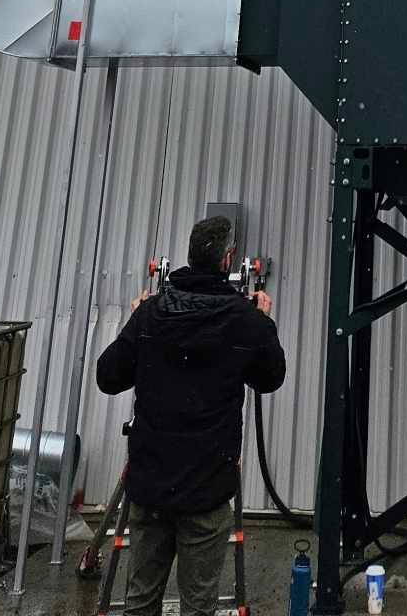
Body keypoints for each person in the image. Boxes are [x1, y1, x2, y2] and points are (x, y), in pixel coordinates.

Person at [96, 215, 286, 616]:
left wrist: (134, 321)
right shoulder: (242, 320)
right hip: (206, 488)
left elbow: (108, 377)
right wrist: (264, 323)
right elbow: (270, 378)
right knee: (198, 605)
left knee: (139, 602)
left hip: (150, 486)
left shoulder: (151, 315)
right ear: (228, 259)